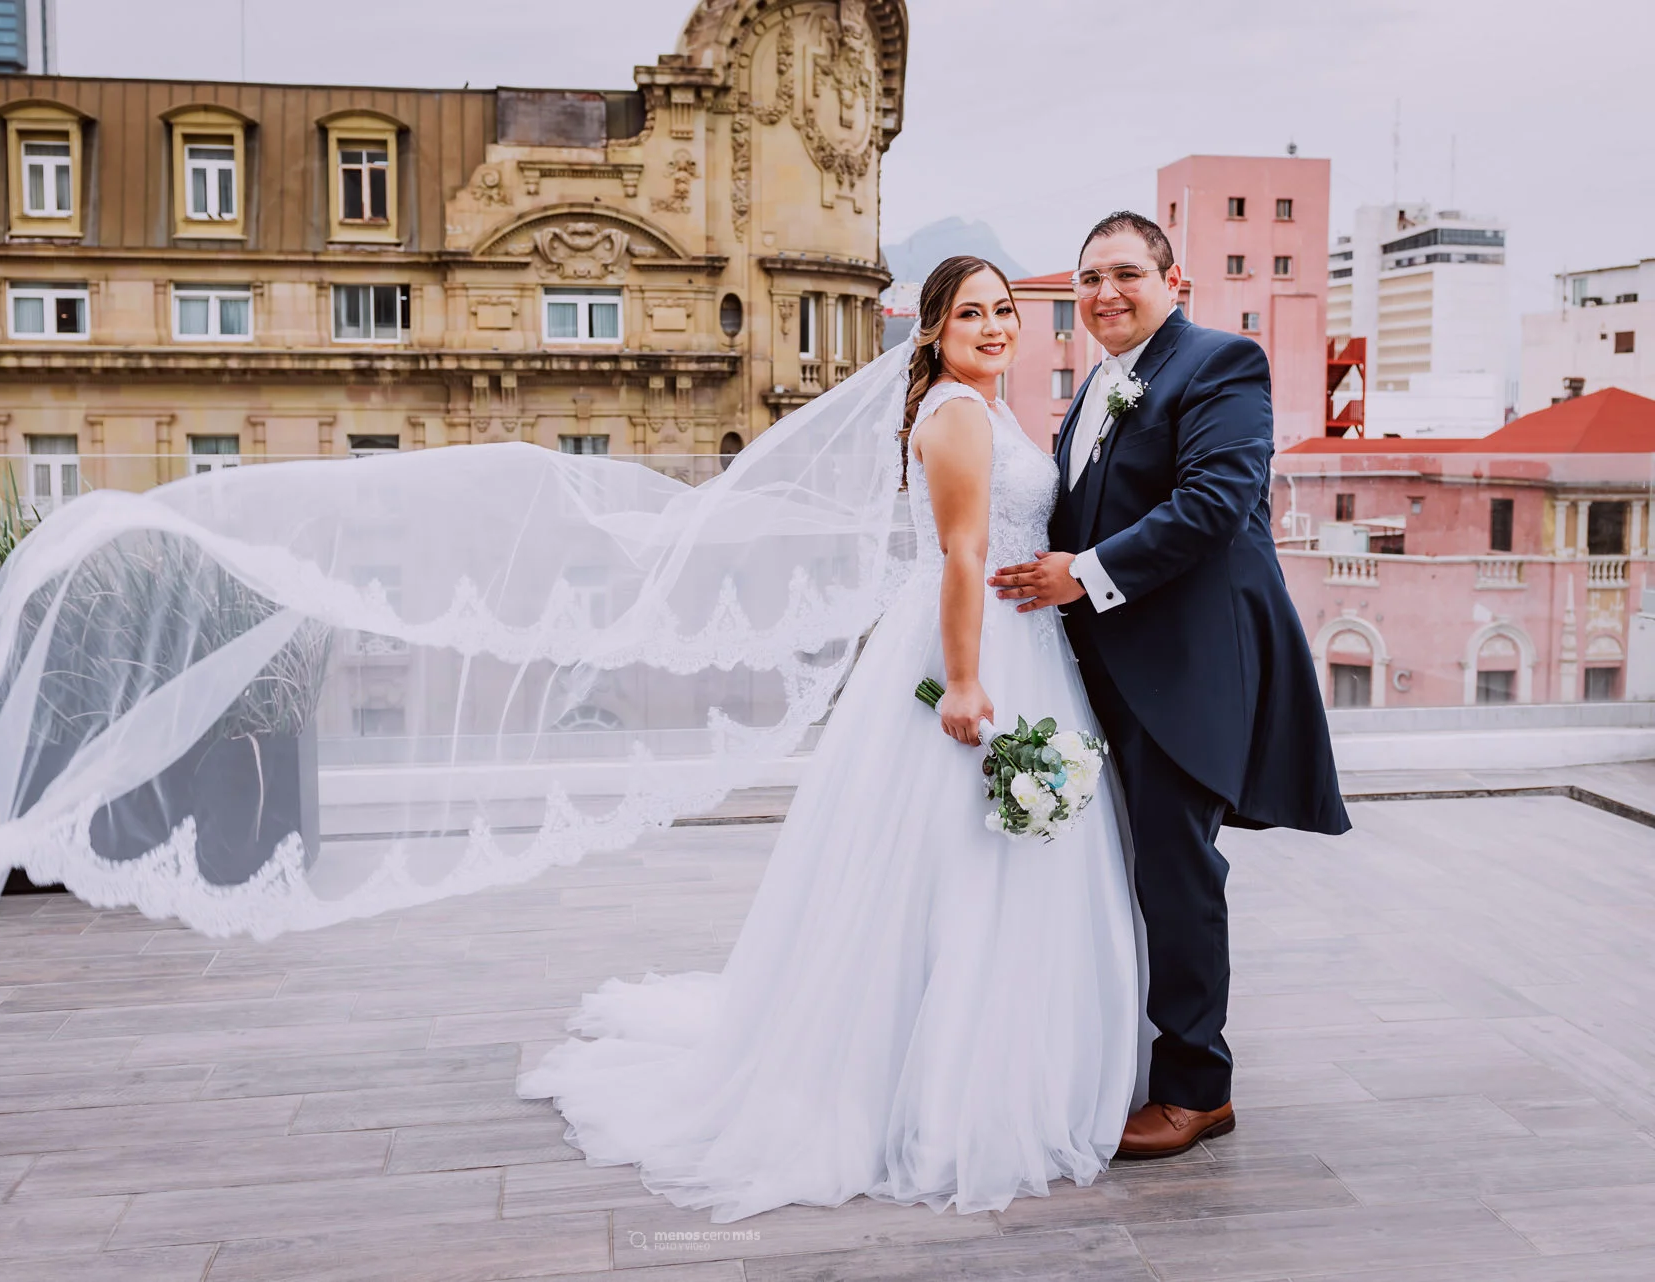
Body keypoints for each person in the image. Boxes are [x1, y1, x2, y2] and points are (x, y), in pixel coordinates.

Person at [516, 257, 1146, 1221]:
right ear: (932, 329)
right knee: (964, 860)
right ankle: (942, 1088)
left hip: (1021, 639)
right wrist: (969, 681)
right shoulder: (962, 414)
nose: (993, 326)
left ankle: (979, 1064)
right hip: (977, 650)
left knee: (975, 861)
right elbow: (964, 554)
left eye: (1004, 311)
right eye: (970, 312)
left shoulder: (981, 406)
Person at [991, 212, 1349, 1160]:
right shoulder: (1096, 387)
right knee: (1123, 865)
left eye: (1124, 274)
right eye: (1088, 279)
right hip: (1103, 663)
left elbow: (1215, 502)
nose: (1104, 293)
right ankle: (1136, 1051)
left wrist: (1084, 575)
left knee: (1177, 868)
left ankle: (1199, 1088)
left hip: (1187, 664)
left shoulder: (1221, 363)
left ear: (1173, 278)